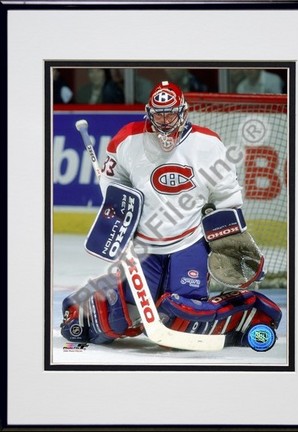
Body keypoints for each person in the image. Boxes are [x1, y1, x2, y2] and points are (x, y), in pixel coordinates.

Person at [60, 81, 282, 348]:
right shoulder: (128, 139)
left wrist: (229, 235)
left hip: (189, 243)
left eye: (170, 113)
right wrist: (117, 208)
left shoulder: (208, 143)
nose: (164, 121)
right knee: (120, 318)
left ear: (183, 112)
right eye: (158, 114)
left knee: (181, 317)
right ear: (149, 113)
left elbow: (226, 195)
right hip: (144, 247)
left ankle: (249, 308)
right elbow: (115, 185)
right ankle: (84, 306)